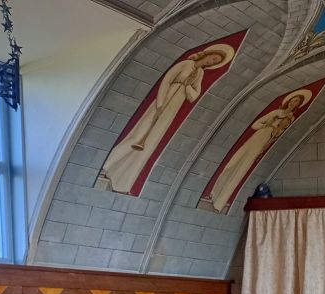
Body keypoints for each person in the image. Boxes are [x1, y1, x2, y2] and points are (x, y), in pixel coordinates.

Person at [101, 44, 235, 194]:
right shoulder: (186, 64)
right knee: (138, 135)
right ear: (208, 54)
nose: (212, 62)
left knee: (150, 143)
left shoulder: (200, 74)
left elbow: (194, 95)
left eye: (216, 62)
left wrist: (188, 87)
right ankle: (106, 166)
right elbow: (167, 80)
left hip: (173, 108)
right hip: (162, 102)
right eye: (213, 58)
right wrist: (160, 102)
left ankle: (124, 181)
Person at [209, 90, 310, 212]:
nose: (293, 103)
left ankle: (220, 202)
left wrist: (267, 145)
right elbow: (255, 125)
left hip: (264, 143)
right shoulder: (276, 112)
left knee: (241, 171)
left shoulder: (290, 118)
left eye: (297, 102)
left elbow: (278, 135)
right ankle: (214, 193)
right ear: (289, 101)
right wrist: (268, 125)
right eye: (293, 100)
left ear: (298, 105)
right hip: (257, 137)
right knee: (233, 163)